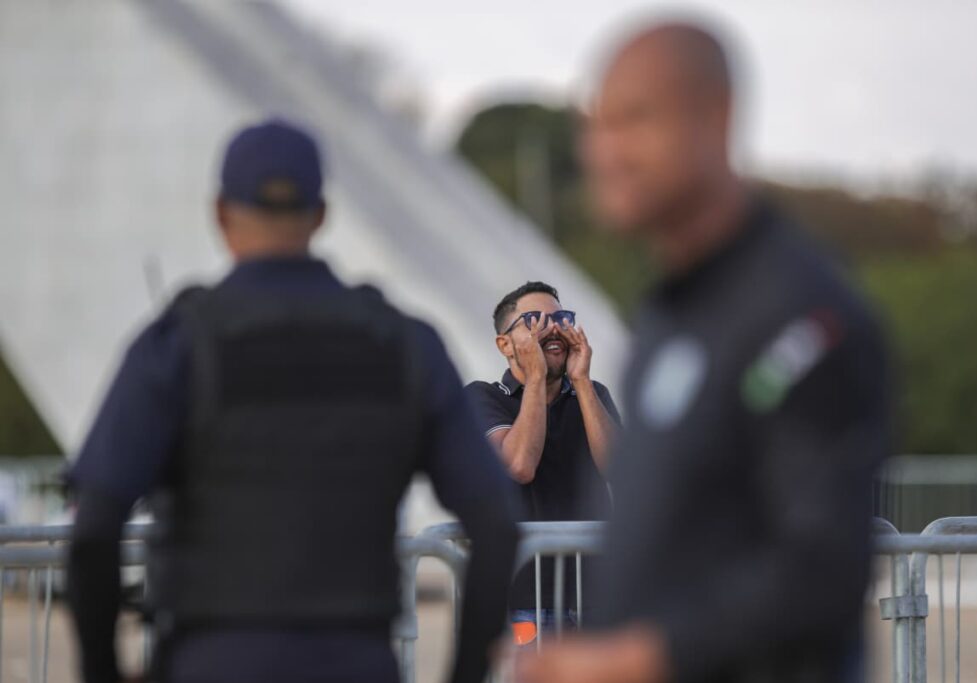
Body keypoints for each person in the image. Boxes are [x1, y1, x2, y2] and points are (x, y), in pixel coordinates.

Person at [66, 119, 519, 683]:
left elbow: (93, 530)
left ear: (221, 214)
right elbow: (496, 523)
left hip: (211, 664)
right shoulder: (405, 345)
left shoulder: (178, 346)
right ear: (321, 214)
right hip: (357, 664)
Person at [518, 22, 890, 683]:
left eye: (635, 120)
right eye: (596, 125)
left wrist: (634, 660)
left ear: (715, 119)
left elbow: (822, 566)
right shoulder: (666, 313)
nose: (604, 151)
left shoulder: (801, 312)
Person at [465, 282, 619, 644]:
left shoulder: (593, 395)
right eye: (535, 320)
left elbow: (621, 471)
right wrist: (535, 379)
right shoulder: (483, 397)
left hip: (598, 597)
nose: (552, 330)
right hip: (527, 602)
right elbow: (519, 465)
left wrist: (581, 382)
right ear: (505, 344)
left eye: (561, 319)